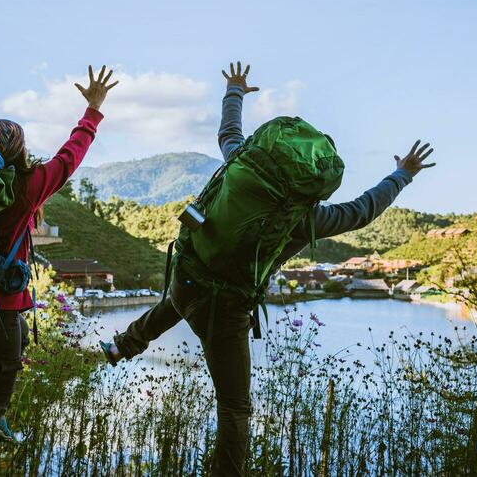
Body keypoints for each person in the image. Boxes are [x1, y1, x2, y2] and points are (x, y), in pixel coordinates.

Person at [101, 61, 437, 477]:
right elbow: (363, 210)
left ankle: (122, 346)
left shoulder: (242, 163)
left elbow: (228, 131)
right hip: (227, 307)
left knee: (177, 303)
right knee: (235, 405)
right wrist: (402, 174)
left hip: (188, 273)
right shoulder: (302, 218)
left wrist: (235, 91)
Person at [0, 46, 117, 477]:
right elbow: (69, 157)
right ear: (18, 152)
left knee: (17, 340)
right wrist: (92, 110)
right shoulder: (24, 189)